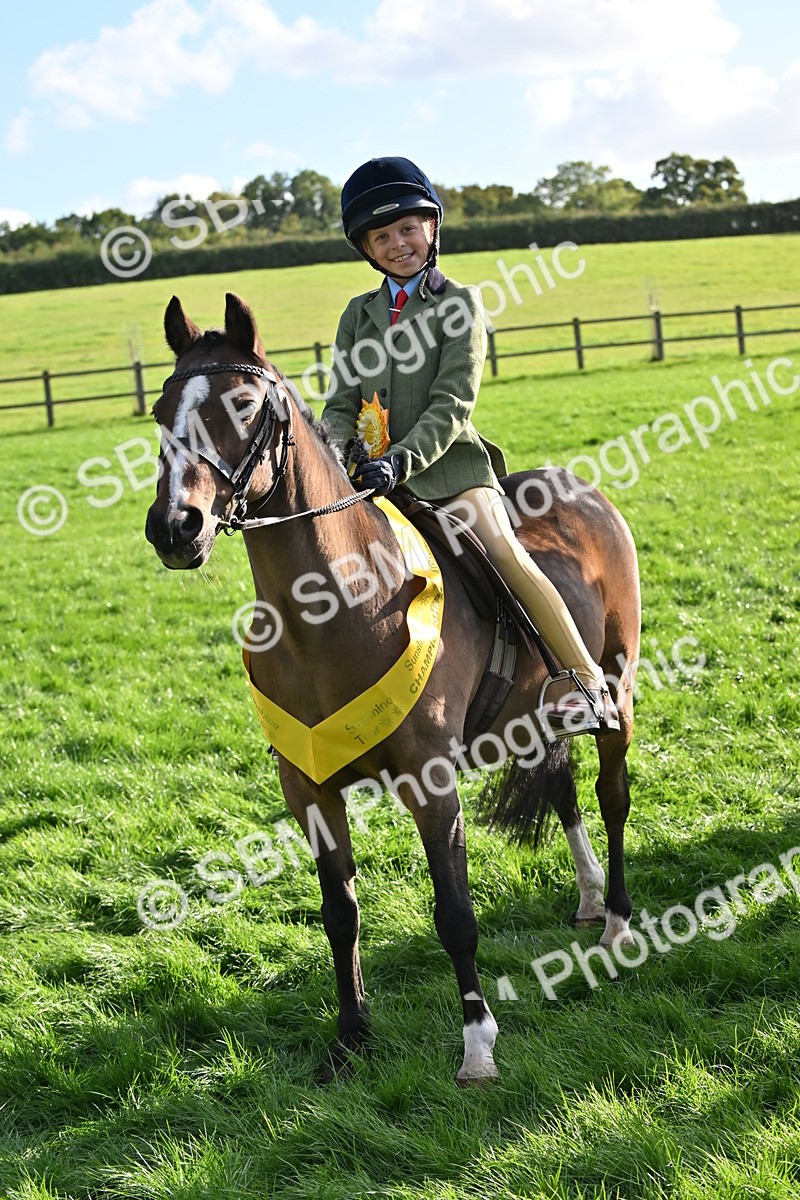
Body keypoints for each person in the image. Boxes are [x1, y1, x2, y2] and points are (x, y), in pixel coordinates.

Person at [322, 156, 619, 739]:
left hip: (450, 474)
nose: (397, 243)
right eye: (382, 236)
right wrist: (341, 453)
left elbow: (453, 403)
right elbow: (339, 403)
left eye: (407, 228)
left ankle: (583, 683)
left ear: (432, 228)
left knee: (506, 556)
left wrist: (400, 460)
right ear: (367, 249)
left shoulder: (459, 303)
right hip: (373, 481)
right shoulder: (357, 316)